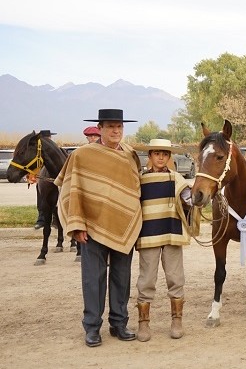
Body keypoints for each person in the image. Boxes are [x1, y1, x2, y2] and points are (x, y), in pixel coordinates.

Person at [55, 109, 142, 347]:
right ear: (100, 129)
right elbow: (72, 190)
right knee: (93, 279)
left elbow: (135, 188)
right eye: (111, 126)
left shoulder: (130, 155)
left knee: (121, 277)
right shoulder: (83, 155)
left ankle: (119, 323)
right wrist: (77, 223)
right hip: (91, 228)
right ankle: (92, 327)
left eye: (119, 127)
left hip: (123, 225)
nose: (116, 131)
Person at [133, 139, 197, 342]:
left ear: (169, 157)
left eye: (165, 154)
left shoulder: (178, 179)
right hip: (148, 234)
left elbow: (189, 199)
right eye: (156, 153)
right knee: (147, 279)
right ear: (150, 156)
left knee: (175, 277)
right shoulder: (140, 180)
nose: (161, 157)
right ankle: (143, 322)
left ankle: (177, 320)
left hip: (172, 233)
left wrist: (195, 200)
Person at [33, 130, 57, 230]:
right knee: (42, 201)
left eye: (48, 137)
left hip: (55, 179)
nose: (48, 139)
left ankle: (56, 220)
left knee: (57, 200)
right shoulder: (38, 150)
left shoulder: (55, 149)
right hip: (42, 179)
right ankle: (41, 220)